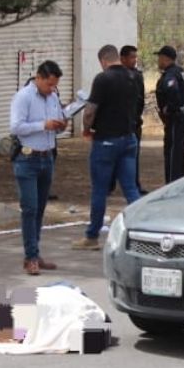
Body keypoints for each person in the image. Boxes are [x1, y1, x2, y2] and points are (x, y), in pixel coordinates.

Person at [72, 45, 142, 250]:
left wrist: (86, 130)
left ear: (103, 60)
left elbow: (90, 110)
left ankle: (92, 236)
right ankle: (141, 231)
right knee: (130, 188)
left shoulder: (103, 79)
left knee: (100, 190)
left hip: (106, 140)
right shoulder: (133, 77)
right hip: (129, 138)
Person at [9, 60, 67, 275]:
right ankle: (30, 256)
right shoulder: (23, 97)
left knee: (40, 209)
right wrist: (43, 125)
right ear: (39, 78)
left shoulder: (53, 97)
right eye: (49, 84)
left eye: (54, 86)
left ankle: (35, 251)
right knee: (30, 208)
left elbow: (57, 123)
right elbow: (15, 127)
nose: (52, 89)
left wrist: (60, 125)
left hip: (47, 157)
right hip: (27, 159)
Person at [155, 45, 184, 183]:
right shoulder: (182, 71)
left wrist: (170, 108)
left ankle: (172, 184)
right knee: (179, 152)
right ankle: (178, 182)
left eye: (159, 58)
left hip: (176, 118)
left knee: (173, 153)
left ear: (165, 58)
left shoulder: (170, 75)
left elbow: (172, 90)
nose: (158, 61)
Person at [119, 45, 147, 195]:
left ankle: (135, 184)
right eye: (131, 57)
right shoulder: (116, 75)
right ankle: (110, 184)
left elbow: (140, 99)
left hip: (134, 122)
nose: (134, 60)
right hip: (118, 124)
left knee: (133, 155)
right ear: (122, 58)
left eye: (135, 57)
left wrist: (136, 118)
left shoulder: (137, 75)